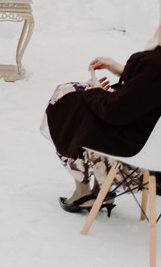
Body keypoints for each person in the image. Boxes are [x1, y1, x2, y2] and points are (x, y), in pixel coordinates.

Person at [44, 24, 161, 214]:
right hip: (151, 139)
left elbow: (114, 112)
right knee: (79, 95)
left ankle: (83, 192)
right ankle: (102, 187)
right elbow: (149, 89)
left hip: (133, 141)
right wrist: (120, 71)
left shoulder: (156, 64)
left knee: (68, 97)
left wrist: (97, 90)